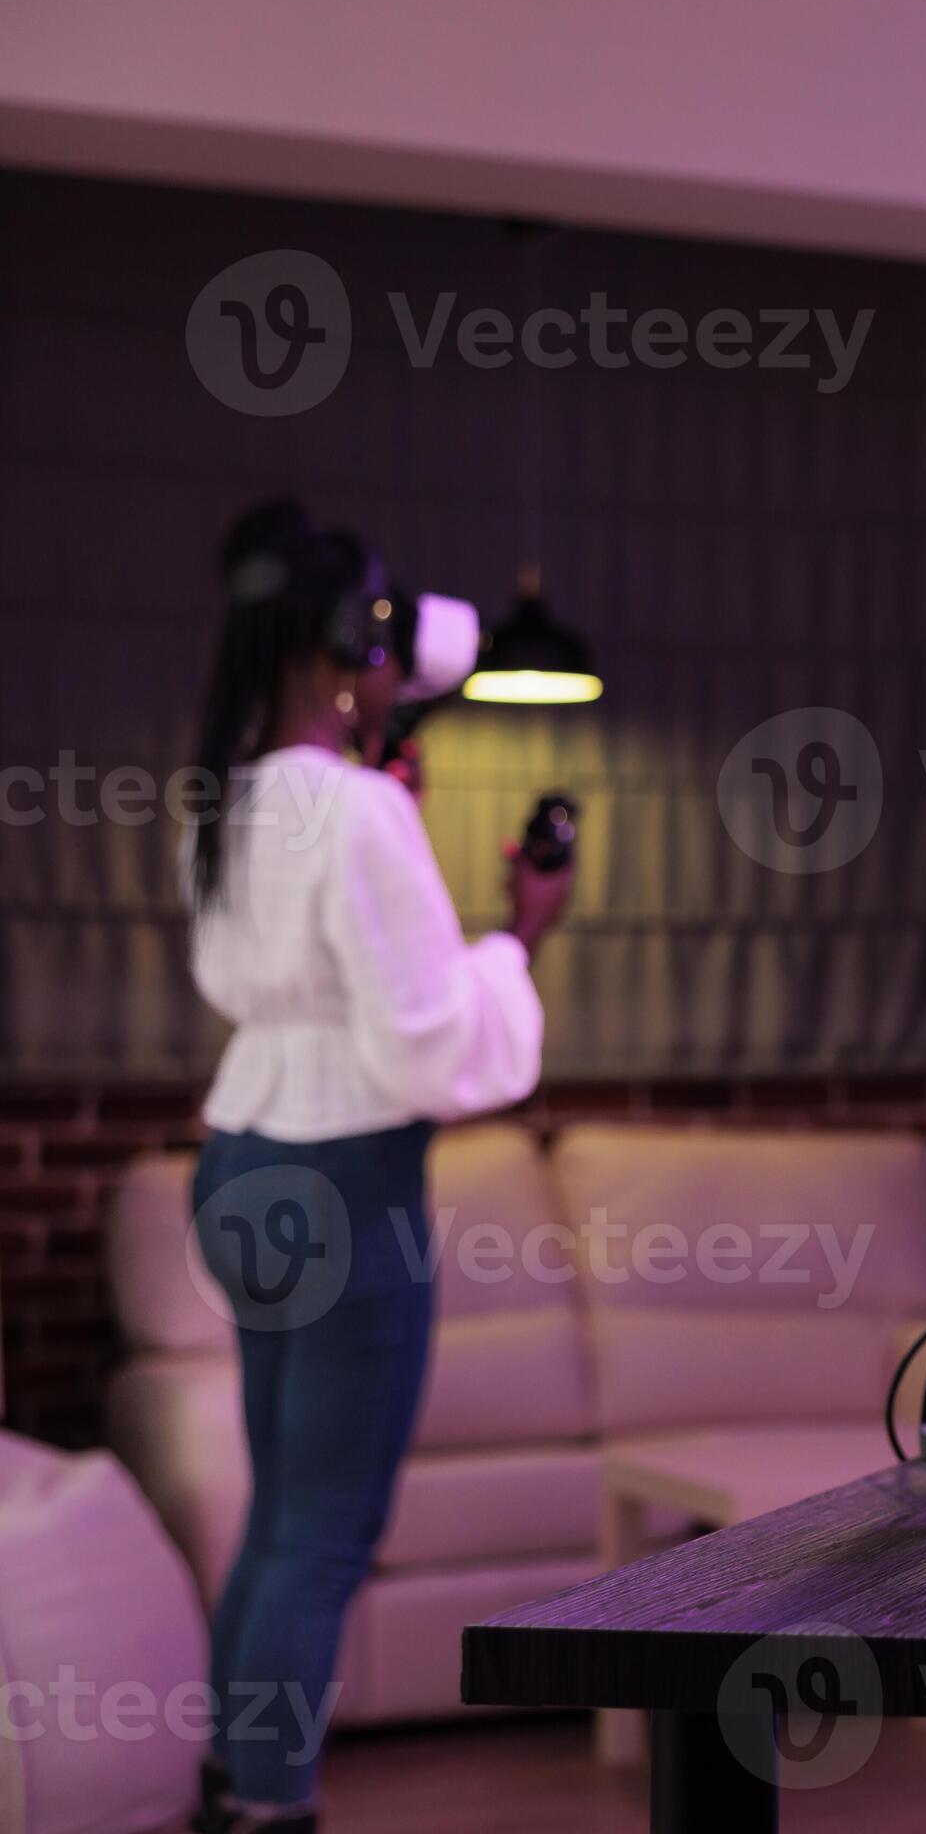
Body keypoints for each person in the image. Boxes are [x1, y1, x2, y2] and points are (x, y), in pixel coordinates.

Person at [182, 501, 569, 1833]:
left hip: (238, 1165)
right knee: (327, 1531)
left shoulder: (229, 795)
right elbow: (424, 1052)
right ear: (348, 645)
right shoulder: (356, 812)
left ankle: (234, 1784)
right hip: (349, 1189)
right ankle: (272, 1809)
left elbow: (321, 990)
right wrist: (521, 936)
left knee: (282, 1512)